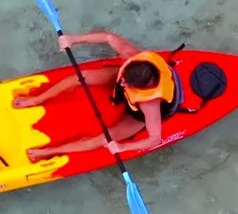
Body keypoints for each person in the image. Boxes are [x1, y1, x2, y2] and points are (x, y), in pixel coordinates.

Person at [13, 30, 177, 162]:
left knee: (104, 138)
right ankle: (36, 99)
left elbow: (155, 138)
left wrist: (122, 148)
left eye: (126, 83)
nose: (122, 83)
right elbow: (108, 37)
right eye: (124, 77)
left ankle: (48, 151)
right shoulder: (132, 57)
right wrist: (73, 39)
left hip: (137, 115)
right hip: (133, 83)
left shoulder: (150, 105)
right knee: (79, 77)